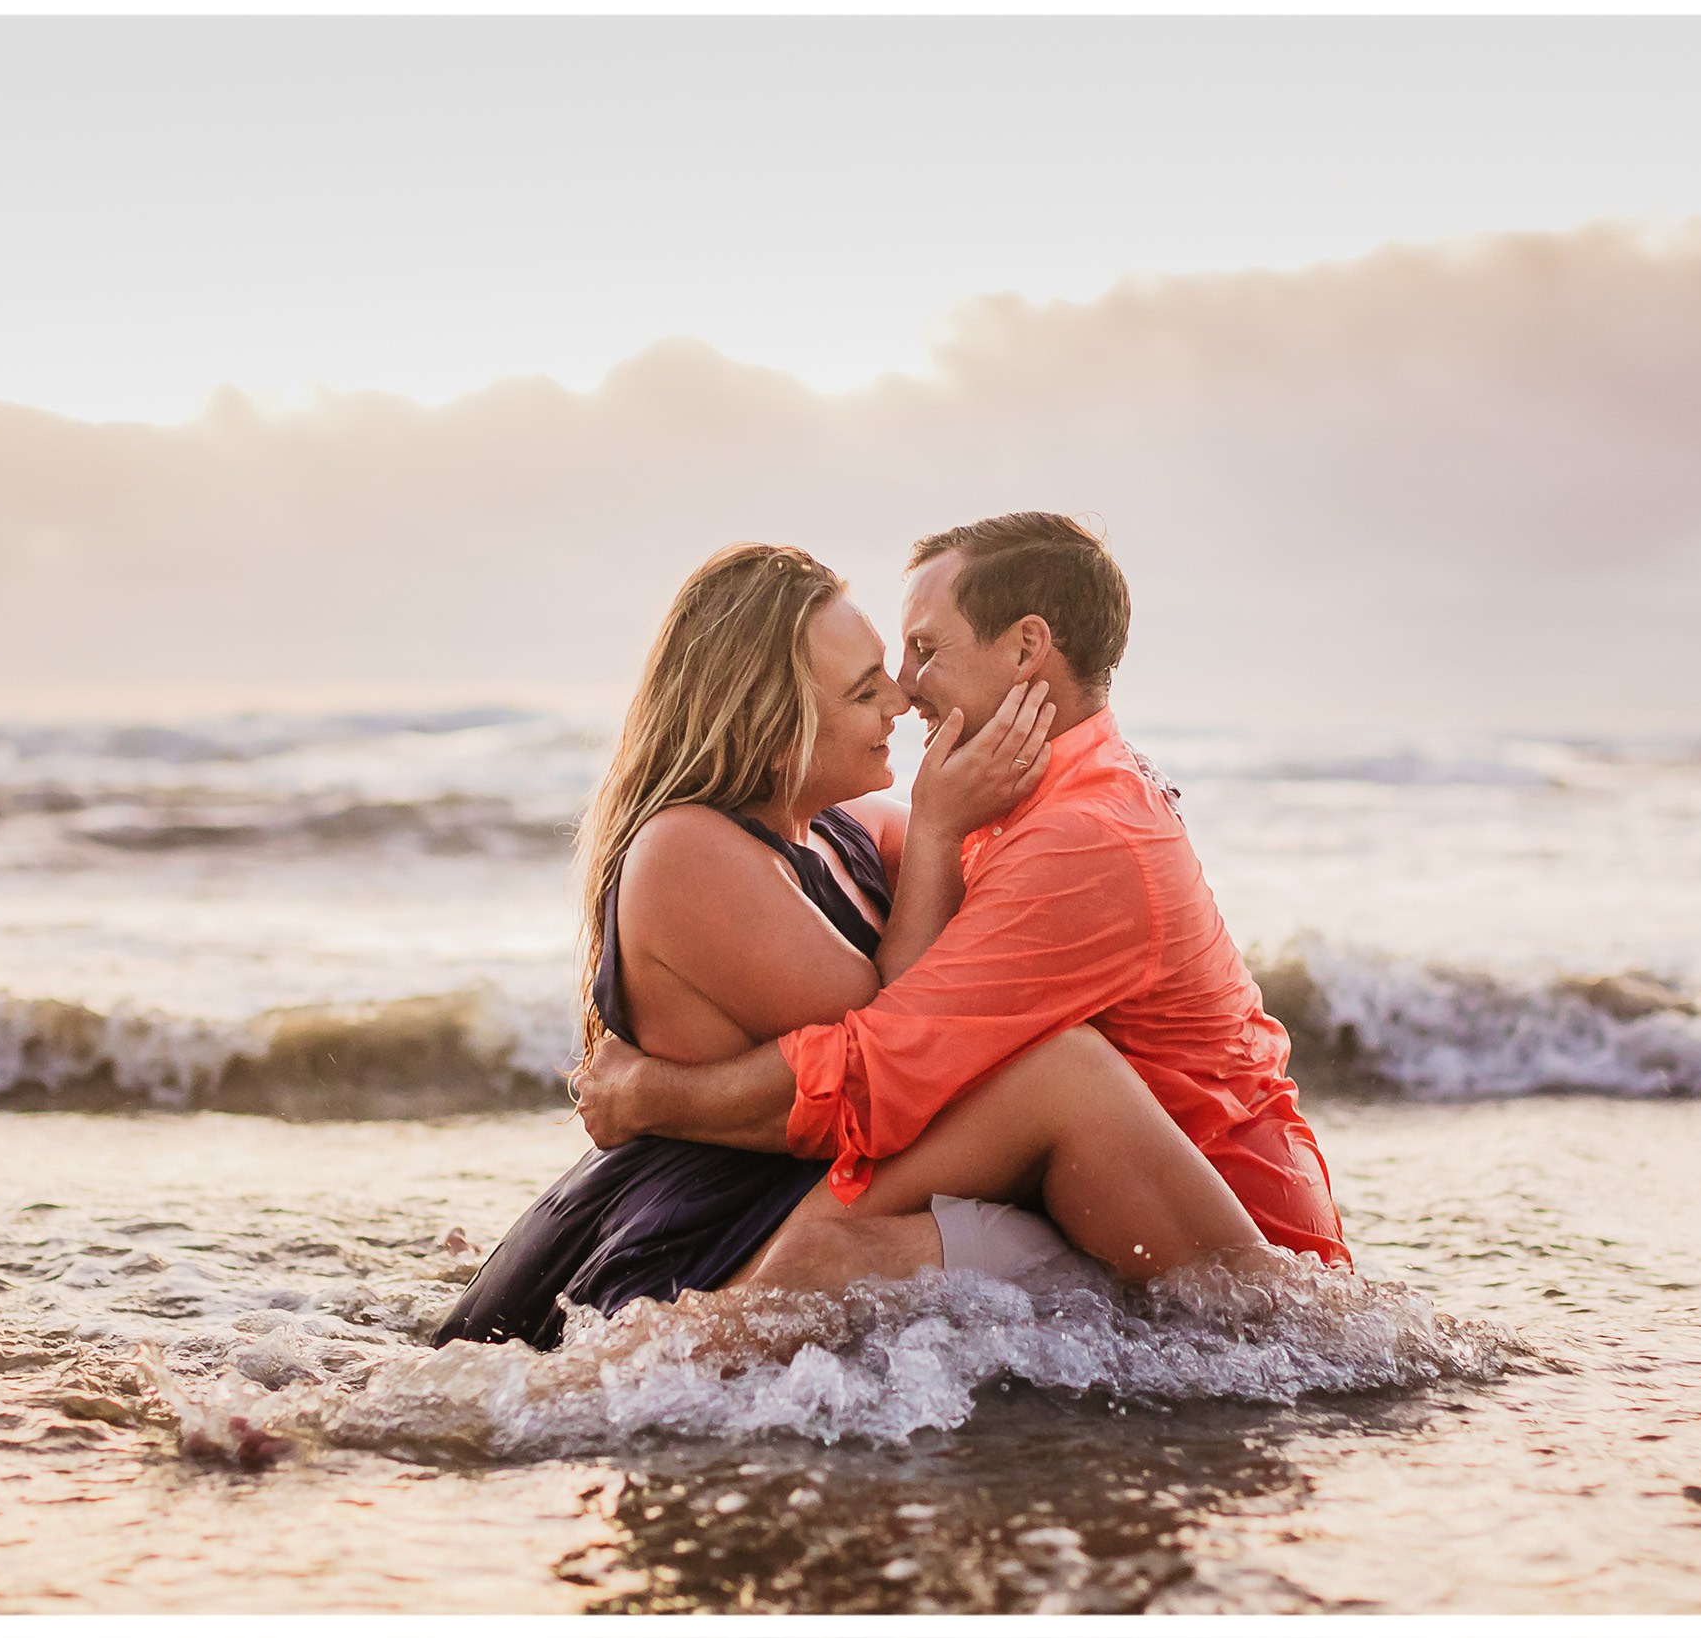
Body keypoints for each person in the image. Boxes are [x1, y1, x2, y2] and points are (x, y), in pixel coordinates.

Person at [434, 538, 1287, 1348]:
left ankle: (1269, 1320)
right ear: (773, 721)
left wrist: (655, 1093)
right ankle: (1289, 1322)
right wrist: (945, 825)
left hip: (804, 1197)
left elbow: (913, 1033)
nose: (902, 697)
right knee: (1065, 1074)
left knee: (1061, 1076)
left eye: (902, 663)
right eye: (865, 688)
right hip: (715, 1228)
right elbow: (891, 1059)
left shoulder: (845, 831)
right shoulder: (688, 850)